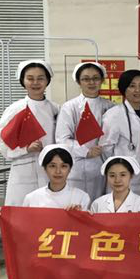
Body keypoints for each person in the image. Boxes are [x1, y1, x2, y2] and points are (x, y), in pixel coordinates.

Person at [0, 144, 89, 279]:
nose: (58, 171)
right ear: (44, 168)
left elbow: (88, 231)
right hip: (43, 251)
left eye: (63, 166)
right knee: (32, 264)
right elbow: (22, 228)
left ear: (70, 169)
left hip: (71, 252)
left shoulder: (81, 196)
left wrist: (80, 215)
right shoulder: (33, 197)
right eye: (52, 166)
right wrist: (3, 223)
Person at [0, 60, 59, 206]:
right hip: (23, 169)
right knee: (21, 211)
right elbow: (2, 140)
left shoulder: (55, 109)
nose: (35, 83)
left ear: (47, 80)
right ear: (23, 81)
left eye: (40, 78)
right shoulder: (16, 109)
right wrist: (25, 149)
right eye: (30, 78)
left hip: (49, 169)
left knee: (48, 212)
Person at [54, 61, 114, 201]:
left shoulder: (110, 106)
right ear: (79, 82)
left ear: (102, 80)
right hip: (77, 168)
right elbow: (62, 139)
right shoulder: (70, 107)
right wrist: (86, 151)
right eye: (86, 79)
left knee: (100, 205)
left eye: (95, 78)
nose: (91, 82)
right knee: (77, 206)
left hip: (103, 167)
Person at [99, 70, 140, 200]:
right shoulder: (114, 115)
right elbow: (105, 148)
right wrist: (119, 166)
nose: (137, 90)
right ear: (124, 88)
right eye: (132, 86)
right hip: (124, 176)